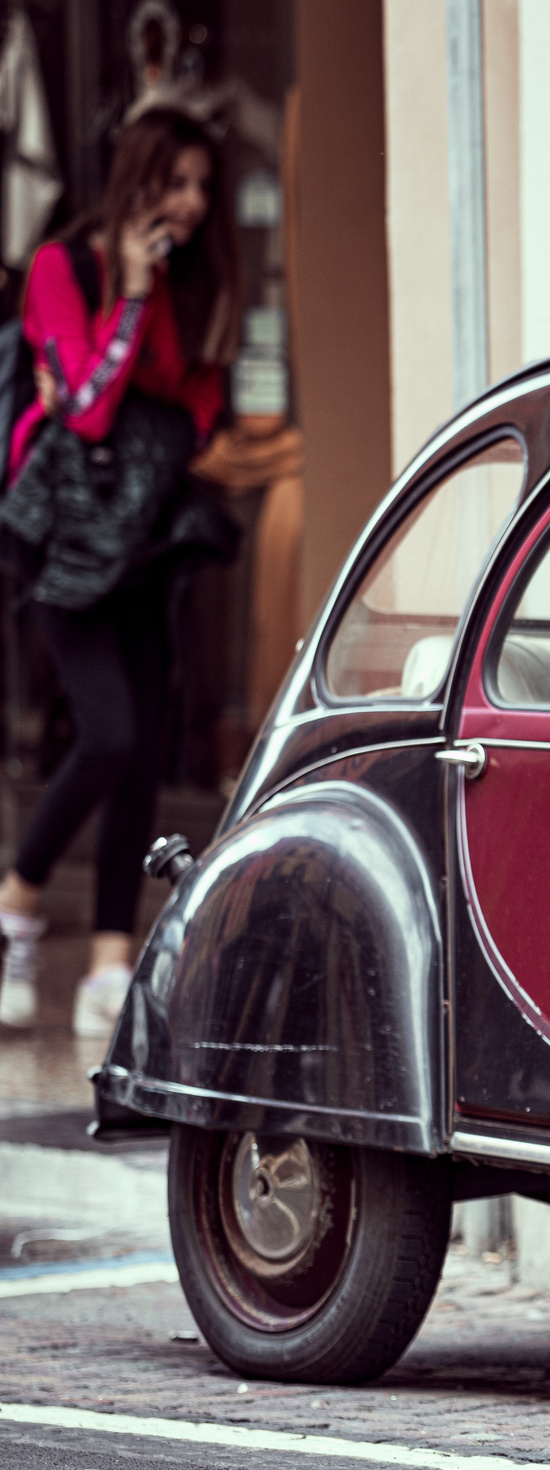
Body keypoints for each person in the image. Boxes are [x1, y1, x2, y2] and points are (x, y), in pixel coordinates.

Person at [0, 109, 234, 1036]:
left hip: (143, 536)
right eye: (176, 181)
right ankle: (18, 900)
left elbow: (202, 399)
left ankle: (107, 959)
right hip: (65, 536)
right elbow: (90, 411)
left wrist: (175, 412)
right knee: (109, 732)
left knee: (140, 745)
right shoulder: (65, 267)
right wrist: (132, 297)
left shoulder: (198, 278)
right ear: (137, 175)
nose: (193, 202)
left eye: (204, 186)